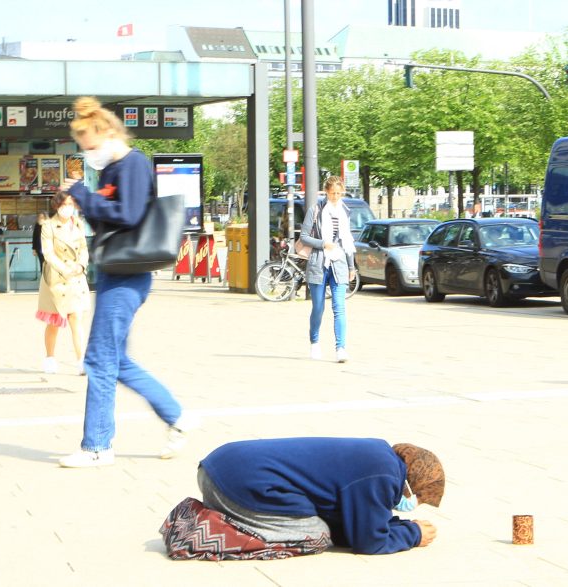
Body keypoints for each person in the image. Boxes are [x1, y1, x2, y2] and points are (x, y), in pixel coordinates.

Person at [58, 96, 195, 467]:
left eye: (90, 145)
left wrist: (83, 195)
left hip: (127, 275)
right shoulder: (113, 169)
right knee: (115, 360)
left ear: (107, 134)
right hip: (117, 272)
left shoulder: (132, 165)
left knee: (100, 360)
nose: (88, 153)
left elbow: (129, 214)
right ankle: (177, 418)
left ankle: (97, 447)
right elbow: (112, 216)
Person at [182, 438, 443, 556]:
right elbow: (369, 542)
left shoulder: (378, 455)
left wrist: (395, 526)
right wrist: (413, 535)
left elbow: (352, 519)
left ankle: (227, 515)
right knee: (317, 535)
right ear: (410, 483)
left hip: (218, 466)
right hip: (233, 486)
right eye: (419, 498)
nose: (413, 505)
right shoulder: (381, 477)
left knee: (320, 519)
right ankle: (205, 530)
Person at [299, 176, 357, 363]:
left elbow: (347, 240)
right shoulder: (315, 210)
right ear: (326, 191)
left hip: (339, 262)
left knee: (339, 307)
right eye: (333, 193)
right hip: (319, 262)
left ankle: (341, 348)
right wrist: (323, 243)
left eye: (339, 193)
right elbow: (304, 236)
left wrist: (351, 266)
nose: (336, 197)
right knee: (318, 307)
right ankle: (314, 342)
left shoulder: (345, 211)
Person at [35, 193, 90, 375]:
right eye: (64, 204)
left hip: (76, 278)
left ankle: (81, 361)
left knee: (76, 318)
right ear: (57, 206)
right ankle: (50, 358)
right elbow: (48, 254)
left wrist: (81, 265)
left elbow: (83, 248)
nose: (68, 207)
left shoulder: (78, 224)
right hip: (56, 280)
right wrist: (65, 270)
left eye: (71, 203)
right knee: (55, 321)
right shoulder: (48, 226)